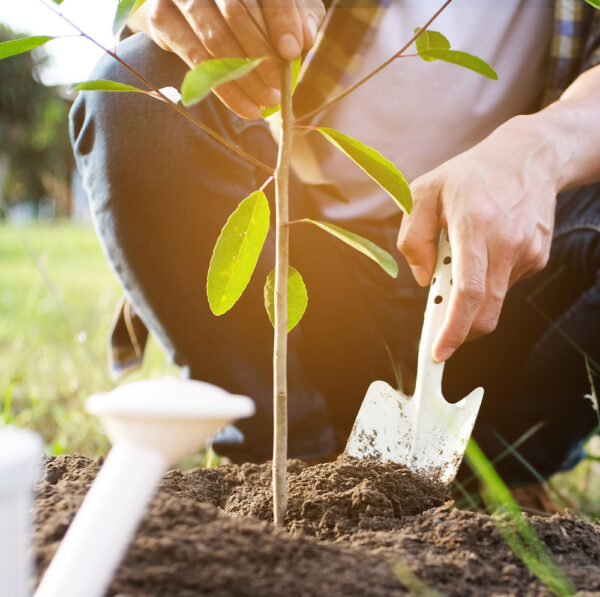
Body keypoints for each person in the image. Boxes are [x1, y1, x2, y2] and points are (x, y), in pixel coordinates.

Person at [70, 0, 600, 492]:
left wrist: (542, 146)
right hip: (321, 294)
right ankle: (291, 468)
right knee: (135, 84)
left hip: (509, 301)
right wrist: (196, 17)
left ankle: (496, 478)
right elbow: (160, 21)